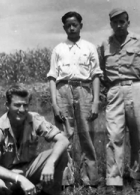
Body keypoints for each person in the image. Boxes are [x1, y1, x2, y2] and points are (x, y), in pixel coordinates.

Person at [47, 11, 102, 191]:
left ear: (80, 26)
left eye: (75, 24)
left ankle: (90, 180)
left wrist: (95, 101)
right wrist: (55, 104)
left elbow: (95, 75)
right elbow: (52, 77)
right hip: (63, 91)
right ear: (64, 27)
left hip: (84, 90)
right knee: (64, 136)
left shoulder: (89, 47)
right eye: (68, 25)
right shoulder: (58, 49)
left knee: (87, 136)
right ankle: (66, 181)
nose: (71, 28)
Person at [98, 8, 140, 195]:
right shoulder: (105, 44)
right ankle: (114, 180)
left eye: (122, 21)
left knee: (138, 135)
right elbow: (100, 70)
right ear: (111, 24)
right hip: (114, 91)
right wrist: (111, 88)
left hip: (137, 88)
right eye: (115, 22)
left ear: (128, 22)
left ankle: (137, 178)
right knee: (114, 136)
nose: (119, 25)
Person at [0, 84, 69, 195]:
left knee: (61, 152)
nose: (22, 110)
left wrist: (50, 164)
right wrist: (19, 178)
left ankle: (49, 193)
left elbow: (63, 140)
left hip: (29, 169)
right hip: (7, 175)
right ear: (7, 105)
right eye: (17, 105)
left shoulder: (34, 118)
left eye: (25, 105)